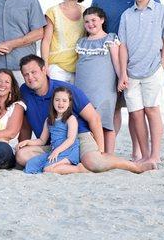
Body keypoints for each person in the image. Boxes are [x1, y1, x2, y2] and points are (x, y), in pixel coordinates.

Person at [15, 54, 156, 174]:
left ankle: (135, 166)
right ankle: (69, 165)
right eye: (26, 74)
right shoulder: (25, 91)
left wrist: (100, 149)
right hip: (53, 142)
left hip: (78, 136)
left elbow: (94, 118)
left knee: (95, 162)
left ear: (44, 70)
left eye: (34, 72)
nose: (30, 77)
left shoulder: (65, 90)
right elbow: (25, 122)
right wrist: (24, 142)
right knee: (22, 156)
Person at [91, 0, 160, 160]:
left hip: (136, 57)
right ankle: (108, 151)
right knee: (112, 106)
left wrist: (158, 58)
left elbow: (155, 17)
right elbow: (93, 21)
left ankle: (137, 151)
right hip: (106, 57)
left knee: (135, 108)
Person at [118, 0, 164, 164]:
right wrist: (122, 72)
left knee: (152, 110)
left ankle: (155, 156)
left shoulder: (162, 10)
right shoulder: (126, 16)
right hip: (132, 72)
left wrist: (163, 66)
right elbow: (122, 46)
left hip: (153, 69)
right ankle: (144, 154)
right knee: (136, 114)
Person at [75, 7, 121, 154]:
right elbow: (79, 65)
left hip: (104, 88)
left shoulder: (110, 39)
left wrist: (122, 79)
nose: (90, 24)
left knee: (106, 122)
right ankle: (94, 153)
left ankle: (108, 154)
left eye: (94, 20)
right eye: (87, 21)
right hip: (83, 88)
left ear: (102, 20)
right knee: (87, 122)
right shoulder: (81, 42)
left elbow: (116, 62)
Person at [19, 87, 84, 174]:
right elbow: (42, 140)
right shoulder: (49, 120)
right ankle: (59, 165)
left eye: (64, 101)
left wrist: (57, 151)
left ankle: (80, 169)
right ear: (53, 101)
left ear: (69, 103)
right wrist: (27, 142)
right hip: (54, 150)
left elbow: (71, 139)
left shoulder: (70, 119)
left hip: (69, 151)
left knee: (48, 169)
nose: (60, 103)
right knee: (32, 164)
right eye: (57, 100)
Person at [40, 0, 86, 83]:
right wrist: (45, 65)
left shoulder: (86, 12)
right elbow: (46, 41)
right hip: (57, 67)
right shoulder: (53, 11)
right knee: (57, 99)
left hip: (79, 68)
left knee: (74, 100)